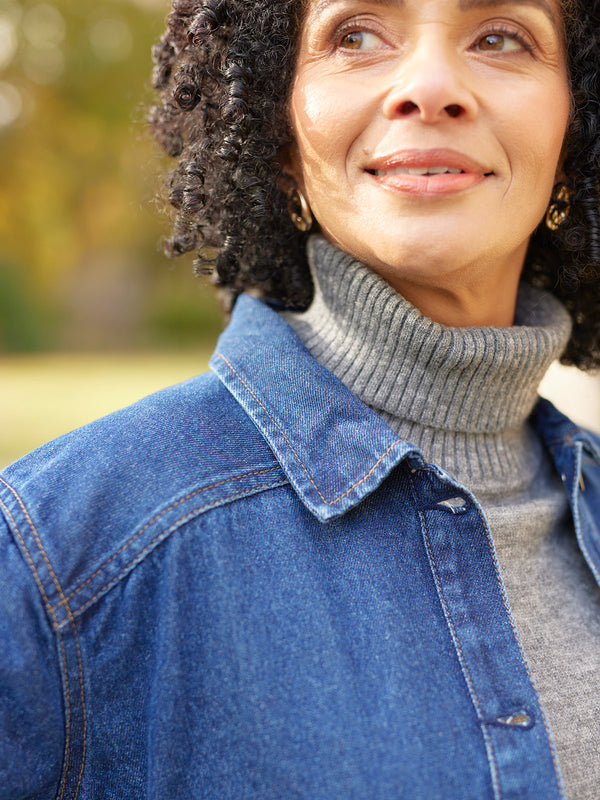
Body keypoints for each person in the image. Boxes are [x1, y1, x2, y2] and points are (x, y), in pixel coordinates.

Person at [2, 0, 600, 798]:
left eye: (501, 36)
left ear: (576, 130)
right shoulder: (56, 556)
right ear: (278, 136)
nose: (429, 86)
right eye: (355, 34)